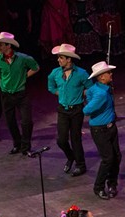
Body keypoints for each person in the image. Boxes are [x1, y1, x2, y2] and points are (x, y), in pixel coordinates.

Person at [0, 32, 40, 156]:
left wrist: (25, 76)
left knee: (26, 121)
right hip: (6, 95)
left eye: (0, 45)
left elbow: (36, 67)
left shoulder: (23, 58)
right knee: (10, 121)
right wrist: (0, 80)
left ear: (8, 45)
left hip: (21, 94)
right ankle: (17, 144)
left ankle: (26, 146)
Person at [47, 44, 93, 176]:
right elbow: (50, 86)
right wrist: (59, 93)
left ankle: (81, 165)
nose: (58, 60)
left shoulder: (81, 73)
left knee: (75, 139)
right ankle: (71, 156)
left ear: (69, 59)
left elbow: (90, 88)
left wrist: (80, 95)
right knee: (61, 140)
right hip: (63, 110)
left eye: (61, 58)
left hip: (77, 110)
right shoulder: (55, 73)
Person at [83, 61, 121, 199]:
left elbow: (89, 93)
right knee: (108, 159)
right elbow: (86, 110)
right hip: (101, 130)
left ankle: (112, 184)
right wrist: (97, 107)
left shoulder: (101, 88)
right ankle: (98, 187)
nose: (111, 74)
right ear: (101, 77)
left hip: (111, 128)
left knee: (116, 157)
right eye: (108, 73)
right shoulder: (101, 94)